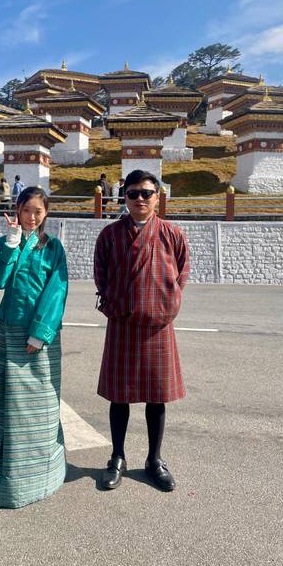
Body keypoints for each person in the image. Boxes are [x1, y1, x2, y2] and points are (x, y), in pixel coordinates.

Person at [94, 169, 189, 492]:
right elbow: (101, 275)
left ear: (157, 197)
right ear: (124, 197)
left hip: (158, 326)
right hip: (122, 323)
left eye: (146, 193)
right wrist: (115, 304)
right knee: (119, 398)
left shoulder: (172, 234)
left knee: (156, 397)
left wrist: (167, 305)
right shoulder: (109, 235)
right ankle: (117, 457)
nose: (139, 199)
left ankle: (154, 459)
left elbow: (182, 273)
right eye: (132, 193)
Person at [0, 186, 68, 508]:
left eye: (38, 212)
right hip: (7, 333)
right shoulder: (9, 244)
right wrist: (11, 243)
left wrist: (40, 333)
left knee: (38, 409)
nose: (32, 217)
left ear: (46, 215)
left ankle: (37, 477)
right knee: (5, 406)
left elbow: (57, 290)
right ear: (17, 210)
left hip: (37, 338)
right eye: (27, 210)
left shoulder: (53, 248)